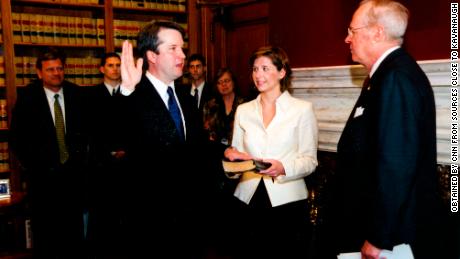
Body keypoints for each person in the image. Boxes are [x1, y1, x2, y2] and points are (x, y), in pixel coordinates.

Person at [329, 1, 446, 258]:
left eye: (352, 30)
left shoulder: (396, 78)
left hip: (390, 239)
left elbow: (397, 165)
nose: (347, 38)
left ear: (378, 33)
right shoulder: (384, 75)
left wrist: (378, 237)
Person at [119, 20, 210, 258]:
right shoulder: (134, 95)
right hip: (151, 224)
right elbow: (114, 133)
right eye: (173, 49)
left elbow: (196, 149)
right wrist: (127, 91)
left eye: (182, 49)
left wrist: (227, 157)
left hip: (190, 220)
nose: (183, 55)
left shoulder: (186, 96)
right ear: (152, 55)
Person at [224, 46, 318, 259]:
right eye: (255, 69)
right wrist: (232, 157)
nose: (258, 75)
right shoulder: (244, 110)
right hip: (247, 198)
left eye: (265, 68)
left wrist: (283, 167)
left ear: (282, 72)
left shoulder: (302, 109)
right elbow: (237, 156)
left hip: (287, 202)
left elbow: (310, 160)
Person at [9, 47, 89, 258]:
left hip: (74, 177)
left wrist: (81, 162)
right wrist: (34, 166)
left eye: (60, 68)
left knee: (74, 236)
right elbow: (17, 138)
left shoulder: (77, 94)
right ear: (39, 73)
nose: (56, 73)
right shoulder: (27, 98)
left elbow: (88, 133)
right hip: (42, 179)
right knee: (46, 236)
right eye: (50, 69)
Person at [86, 52, 128, 257]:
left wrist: (126, 150)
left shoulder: (132, 93)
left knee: (126, 218)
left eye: (118, 65)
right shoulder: (90, 96)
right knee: (103, 218)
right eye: (110, 65)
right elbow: (89, 132)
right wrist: (107, 152)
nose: (115, 69)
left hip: (128, 164)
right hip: (101, 166)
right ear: (102, 69)